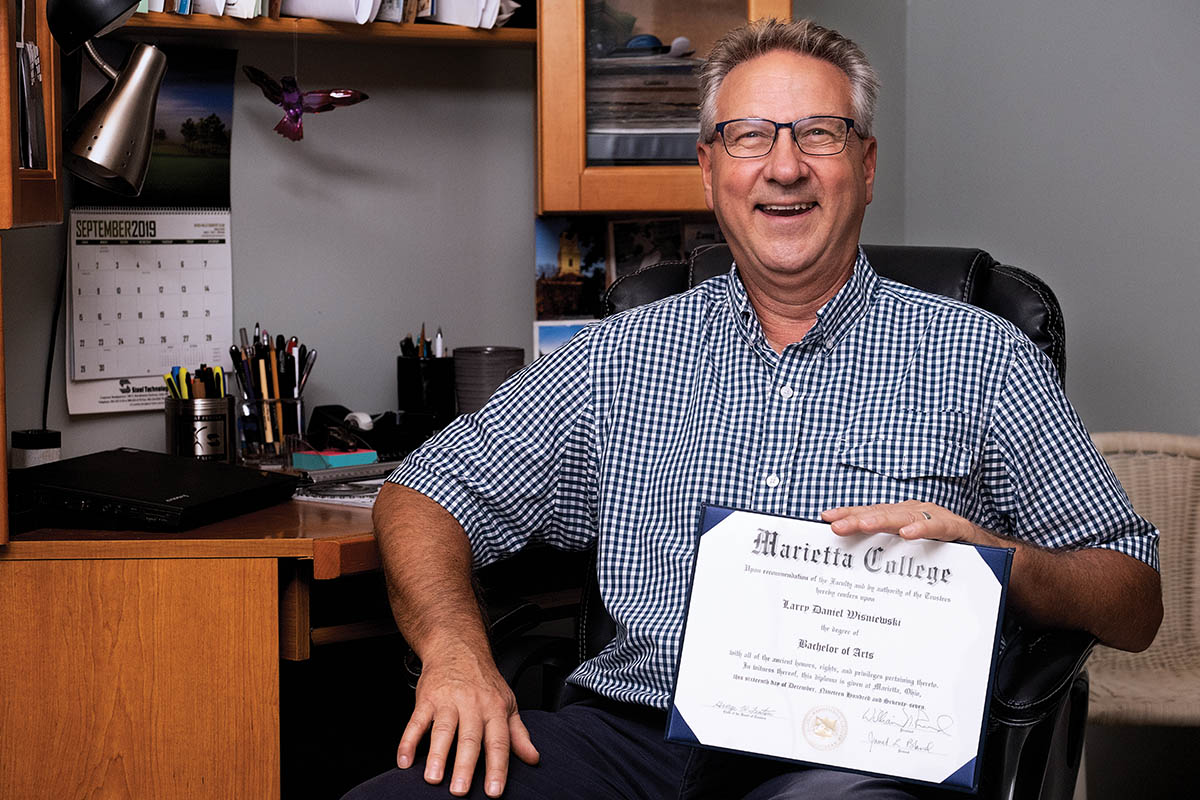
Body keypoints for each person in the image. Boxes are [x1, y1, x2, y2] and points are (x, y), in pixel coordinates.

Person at [349, 17, 1162, 800]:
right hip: (629, 742)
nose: (784, 167)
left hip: (858, 761)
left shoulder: (985, 358)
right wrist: (455, 651)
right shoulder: (618, 354)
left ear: (867, 166)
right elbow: (423, 493)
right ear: (710, 170)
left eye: (819, 134)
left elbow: (1134, 596)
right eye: (750, 136)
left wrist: (998, 562)